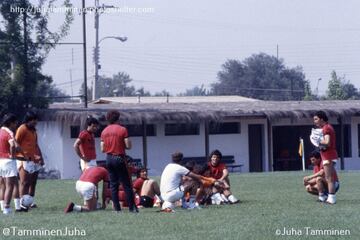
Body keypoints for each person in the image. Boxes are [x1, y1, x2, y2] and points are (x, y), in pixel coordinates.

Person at [100, 110, 138, 213]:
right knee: (126, 184)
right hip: (119, 158)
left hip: (108, 158)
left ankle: (117, 209)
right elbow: (128, 146)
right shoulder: (122, 129)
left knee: (113, 185)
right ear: (118, 118)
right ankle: (132, 208)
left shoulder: (104, 131)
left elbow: (102, 149)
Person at [15, 111, 44, 209]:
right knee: (24, 182)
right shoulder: (22, 128)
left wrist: (41, 157)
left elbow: (36, 145)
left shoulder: (34, 131)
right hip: (23, 159)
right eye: (33, 120)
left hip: (33, 159)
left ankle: (30, 202)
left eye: (36, 120)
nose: (35, 122)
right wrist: (21, 155)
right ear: (28, 120)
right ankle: (21, 204)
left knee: (33, 182)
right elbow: (16, 143)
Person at [313, 111, 338, 204]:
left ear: (321, 119)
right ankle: (329, 198)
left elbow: (327, 142)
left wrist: (318, 140)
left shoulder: (326, 128)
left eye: (316, 119)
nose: (315, 121)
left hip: (329, 155)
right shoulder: (326, 127)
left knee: (329, 178)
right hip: (329, 154)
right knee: (329, 177)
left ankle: (331, 198)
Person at [0, 114, 19, 214]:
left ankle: (3, 207)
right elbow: (12, 145)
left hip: (0, 160)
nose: (16, 124)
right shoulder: (9, 132)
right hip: (8, 161)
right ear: (11, 123)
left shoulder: (0, 131)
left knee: (2, 186)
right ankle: (7, 208)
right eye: (15, 122)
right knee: (10, 185)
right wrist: (12, 155)